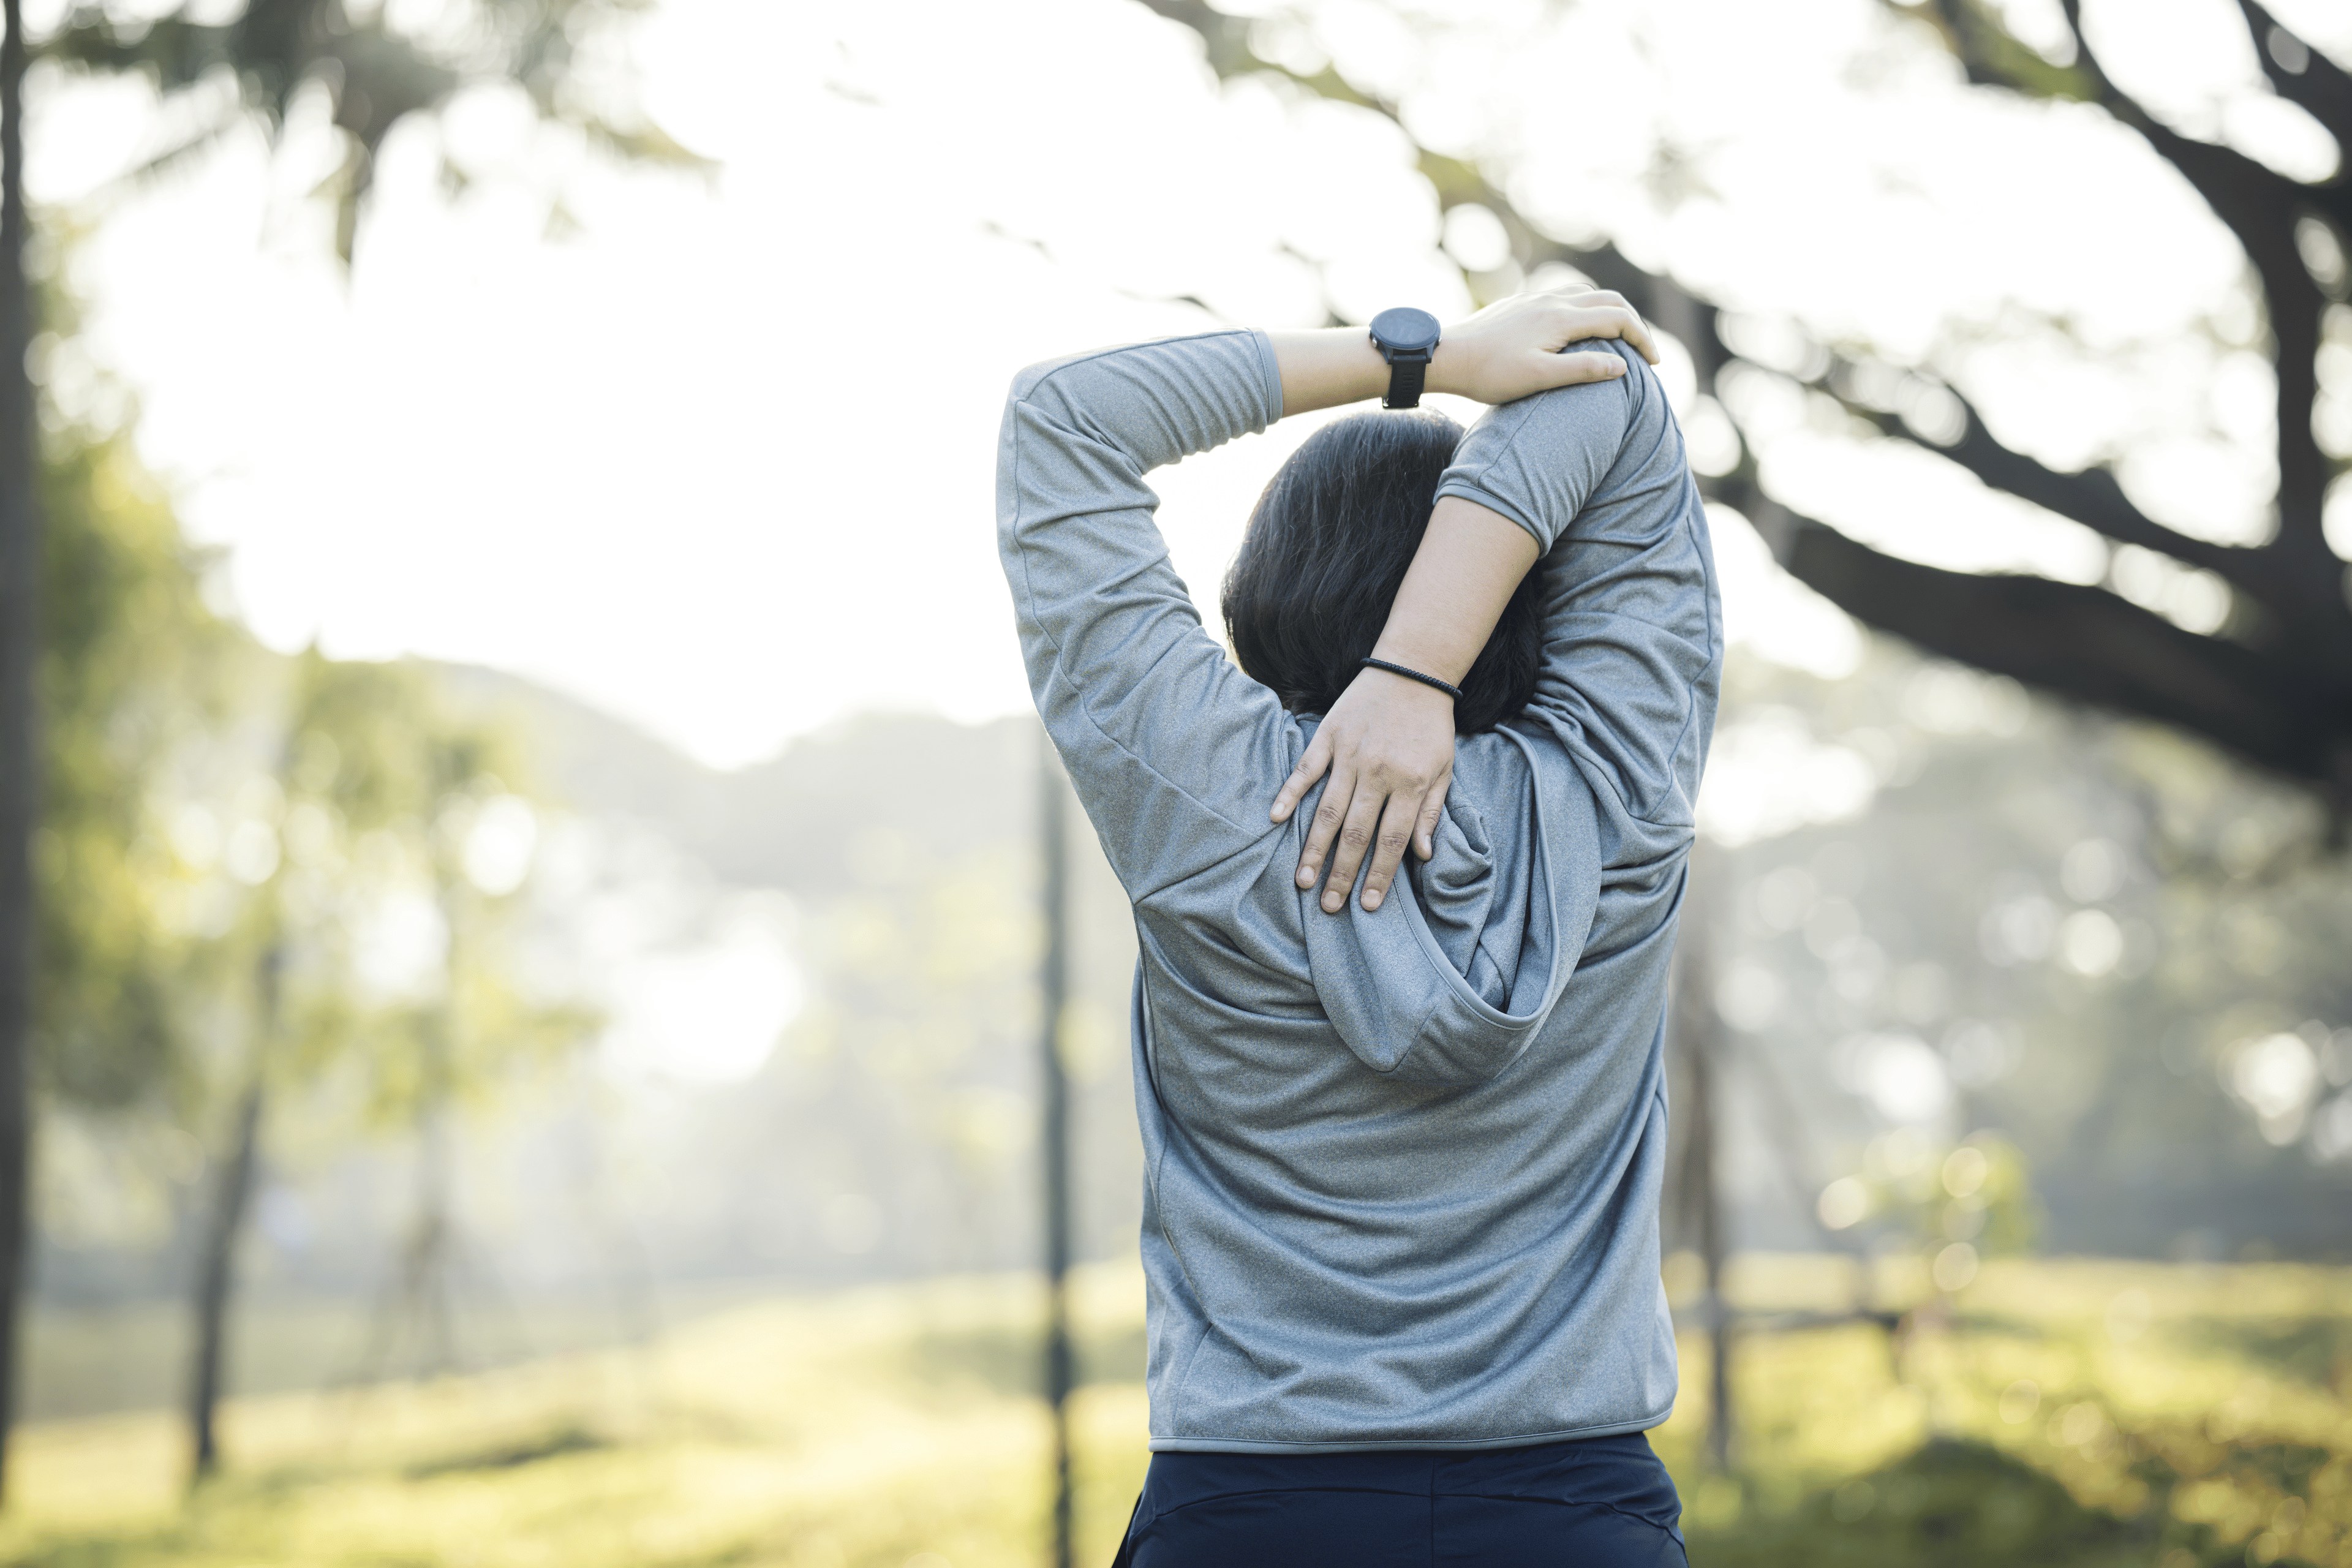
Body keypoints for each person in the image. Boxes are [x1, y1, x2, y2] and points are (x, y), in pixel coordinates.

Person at [995, 287, 1721, 1566]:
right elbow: (1608, 379)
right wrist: (1424, 666)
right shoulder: (1618, 790)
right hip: (1574, 1522)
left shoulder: (1202, 800)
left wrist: (1427, 360)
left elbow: (1064, 419)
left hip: (1249, 1519)